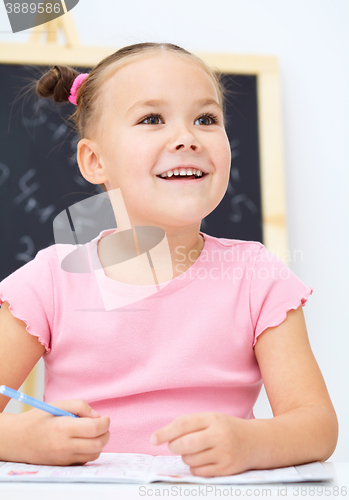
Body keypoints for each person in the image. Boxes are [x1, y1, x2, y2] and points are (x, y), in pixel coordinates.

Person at [0, 42, 338, 477]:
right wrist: (21, 439)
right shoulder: (49, 281)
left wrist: (251, 443)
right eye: (152, 119)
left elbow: (318, 426)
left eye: (205, 119)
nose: (187, 138)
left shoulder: (258, 277)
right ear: (95, 161)